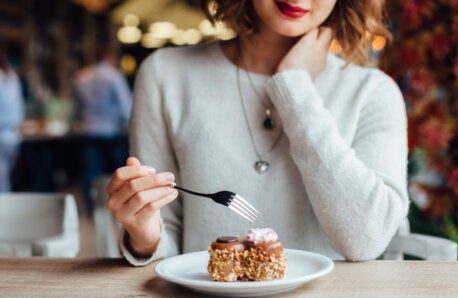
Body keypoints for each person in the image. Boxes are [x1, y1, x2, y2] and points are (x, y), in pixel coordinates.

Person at [106, 0, 409, 266]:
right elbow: (166, 239)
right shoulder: (165, 75)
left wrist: (294, 88)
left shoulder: (373, 92)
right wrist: (145, 237)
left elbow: (366, 239)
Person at [72, 44, 132, 214]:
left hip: (88, 129)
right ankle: (112, 207)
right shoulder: (113, 76)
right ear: (109, 58)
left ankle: (92, 208)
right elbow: (125, 106)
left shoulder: (81, 76)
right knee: (113, 172)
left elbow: (76, 106)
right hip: (109, 131)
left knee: (90, 171)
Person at [0, 44, 24, 192]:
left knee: (8, 175)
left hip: (14, 134)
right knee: (2, 179)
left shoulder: (13, 76)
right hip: (1, 132)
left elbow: (17, 103)